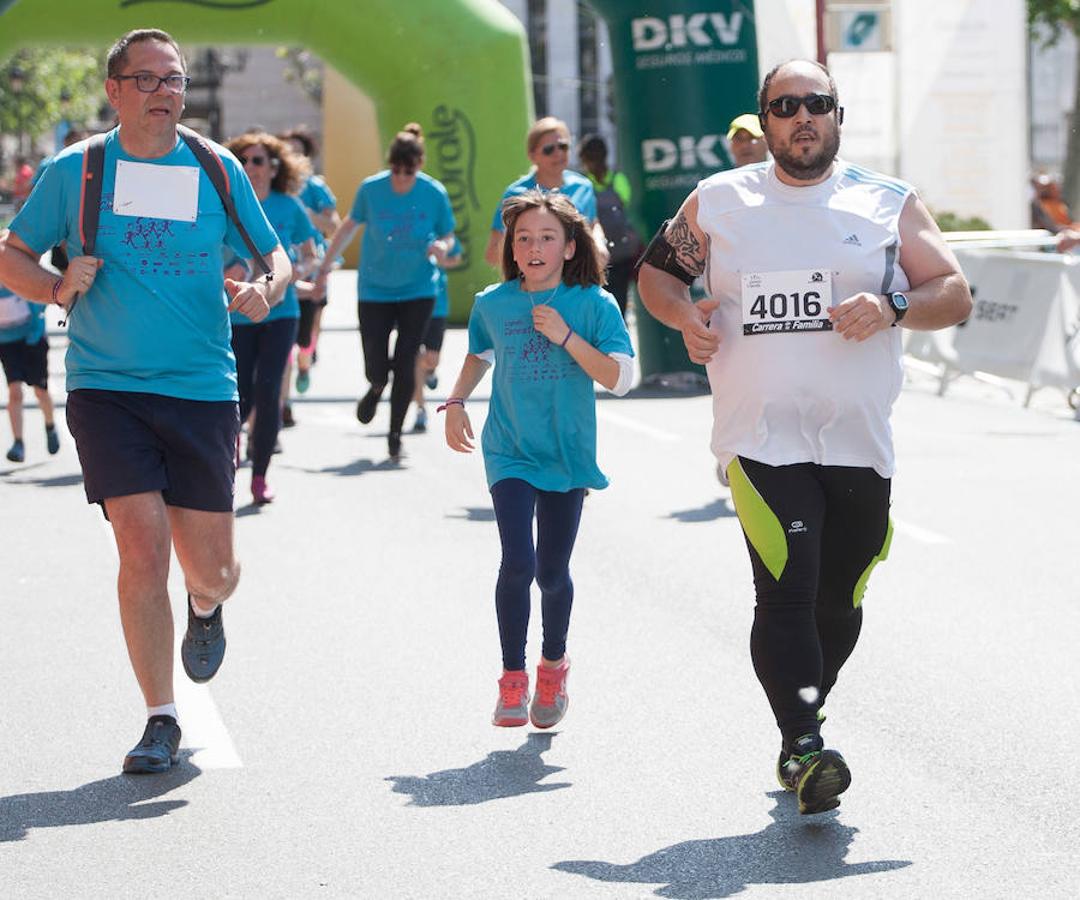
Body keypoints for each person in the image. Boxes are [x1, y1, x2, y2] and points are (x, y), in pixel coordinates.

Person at [638, 59, 972, 815]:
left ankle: (806, 710)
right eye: (784, 106)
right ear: (765, 120)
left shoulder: (885, 201)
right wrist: (683, 315)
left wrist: (891, 306)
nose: (801, 117)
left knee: (840, 595)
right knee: (785, 587)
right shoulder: (721, 200)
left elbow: (951, 292)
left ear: (837, 114)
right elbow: (657, 276)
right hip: (758, 437)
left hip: (857, 437)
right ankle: (801, 745)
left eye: (814, 103)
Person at [0, 29, 291, 774]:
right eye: (150, 80)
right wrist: (56, 287)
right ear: (116, 91)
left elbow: (277, 255)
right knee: (140, 546)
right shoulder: (79, 171)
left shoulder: (214, 166)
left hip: (199, 387)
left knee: (213, 569)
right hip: (106, 387)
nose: (166, 92)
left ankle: (206, 605)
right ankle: (161, 717)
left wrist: (267, 287)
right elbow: (12, 254)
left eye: (175, 79)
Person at [444, 190, 634, 729]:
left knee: (552, 573)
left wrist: (567, 336)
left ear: (570, 247)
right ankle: (512, 681)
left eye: (547, 237)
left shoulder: (595, 304)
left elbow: (620, 379)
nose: (533, 246)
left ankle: (553, 664)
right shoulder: (494, 303)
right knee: (518, 562)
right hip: (509, 449)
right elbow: (479, 354)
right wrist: (456, 401)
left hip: (567, 452)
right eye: (523, 237)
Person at [315, 123, 455, 459]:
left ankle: (395, 434)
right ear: (389, 164)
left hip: (418, 289)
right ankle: (377, 385)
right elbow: (349, 226)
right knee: (376, 363)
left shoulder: (433, 193)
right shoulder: (372, 189)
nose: (402, 177)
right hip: (375, 289)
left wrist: (440, 246)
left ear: (419, 165)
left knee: (407, 359)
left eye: (409, 171)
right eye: (396, 169)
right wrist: (324, 266)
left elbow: (449, 235)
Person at [223, 131, 318, 504]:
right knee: (239, 393)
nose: (250, 167)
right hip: (239, 315)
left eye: (258, 160)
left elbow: (312, 255)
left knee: (269, 392)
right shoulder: (227, 207)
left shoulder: (289, 206)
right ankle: (227, 461)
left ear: (273, 167)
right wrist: (228, 271)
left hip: (282, 313)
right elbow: (211, 257)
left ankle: (259, 475)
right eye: (243, 161)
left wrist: (295, 269)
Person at [483, 116, 608, 270]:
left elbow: (592, 223)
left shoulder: (583, 186)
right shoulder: (516, 194)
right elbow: (492, 253)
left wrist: (599, 242)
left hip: (577, 280)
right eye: (549, 149)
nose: (558, 153)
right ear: (532, 156)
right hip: (533, 286)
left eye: (563, 146)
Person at [278, 126, 341, 406]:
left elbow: (333, 225)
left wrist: (309, 216)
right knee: (284, 339)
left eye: (297, 150)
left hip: (311, 269)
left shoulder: (315, 188)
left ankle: (306, 358)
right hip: (281, 270)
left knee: (307, 332)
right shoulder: (276, 189)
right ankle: (285, 401)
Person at [577, 133, 641, 318]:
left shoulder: (583, 185)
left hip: (599, 257)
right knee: (618, 308)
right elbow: (627, 206)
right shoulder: (618, 179)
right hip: (617, 253)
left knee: (599, 310)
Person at [0, 281, 59, 462]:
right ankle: (18, 443)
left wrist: (35, 336)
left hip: (32, 339)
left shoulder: (16, 274)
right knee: (14, 392)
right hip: (7, 343)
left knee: (40, 391)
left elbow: (40, 304)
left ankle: (50, 426)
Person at [412, 236, 463, 433]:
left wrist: (443, 261)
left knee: (431, 359)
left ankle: (429, 371)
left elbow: (456, 256)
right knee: (414, 357)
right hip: (411, 302)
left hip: (437, 305)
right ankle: (420, 408)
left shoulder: (442, 231)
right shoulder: (409, 230)